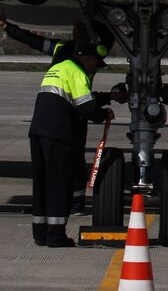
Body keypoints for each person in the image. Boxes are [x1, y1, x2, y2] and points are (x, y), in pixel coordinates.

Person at [3, 13, 116, 217]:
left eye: (83, 28)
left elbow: (84, 98)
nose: (78, 32)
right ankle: (62, 203)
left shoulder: (94, 50)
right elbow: (32, 40)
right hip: (66, 114)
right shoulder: (63, 49)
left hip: (72, 113)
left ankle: (74, 202)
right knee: (60, 163)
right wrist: (7, 27)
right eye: (77, 28)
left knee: (72, 161)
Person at [29, 42, 111, 246]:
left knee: (41, 184)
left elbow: (67, 99)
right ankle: (56, 236)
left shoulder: (58, 68)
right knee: (58, 184)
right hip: (57, 135)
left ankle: (40, 234)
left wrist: (107, 98)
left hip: (38, 132)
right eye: (95, 65)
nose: (94, 70)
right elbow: (87, 107)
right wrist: (105, 113)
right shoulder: (78, 73)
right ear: (89, 59)